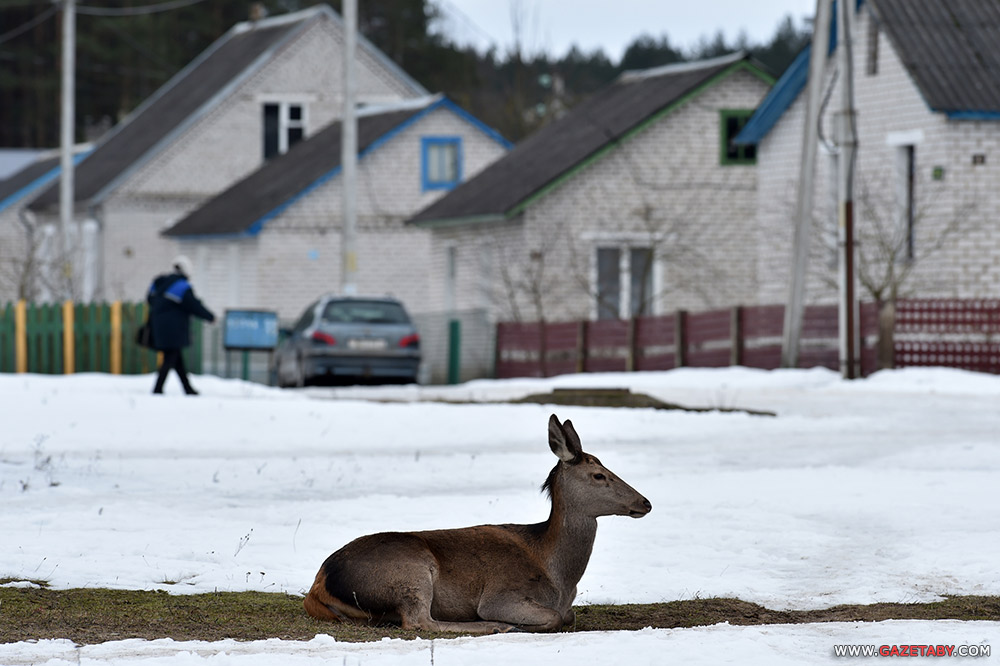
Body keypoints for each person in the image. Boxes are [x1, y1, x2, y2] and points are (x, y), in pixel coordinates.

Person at [147, 256, 215, 395]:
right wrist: (210, 317)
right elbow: (194, 305)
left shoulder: (159, 282)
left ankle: (187, 388)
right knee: (170, 356)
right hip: (174, 329)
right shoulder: (182, 286)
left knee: (175, 357)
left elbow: (149, 299)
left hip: (157, 326)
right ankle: (158, 388)